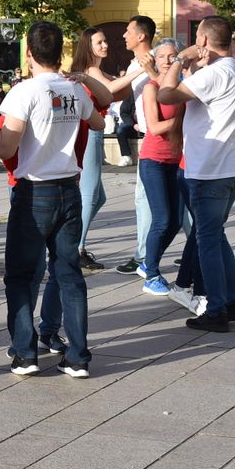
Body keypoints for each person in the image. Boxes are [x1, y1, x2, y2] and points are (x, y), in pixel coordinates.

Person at [0, 21, 104, 378]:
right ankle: (77, 357)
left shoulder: (24, 92)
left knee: (19, 275)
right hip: (68, 189)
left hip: (34, 192)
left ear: (28, 53)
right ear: (58, 51)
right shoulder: (73, 90)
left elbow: (5, 146)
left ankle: (26, 354)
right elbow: (99, 125)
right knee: (69, 274)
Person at [157, 16, 235, 332]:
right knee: (215, 233)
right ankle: (234, 300)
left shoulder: (216, 73)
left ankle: (217, 309)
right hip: (233, 167)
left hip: (210, 170)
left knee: (207, 239)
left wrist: (179, 60)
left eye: (197, 38)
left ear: (203, 40)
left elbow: (165, 95)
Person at [70, 27, 146, 271]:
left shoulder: (96, 70)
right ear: (87, 46)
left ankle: (73, 241)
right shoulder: (91, 70)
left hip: (95, 130)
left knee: (98, 197)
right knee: (90, 194)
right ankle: (75, 248)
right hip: (90, 130)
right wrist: (140, 69)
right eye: (99, 42)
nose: (105, 45)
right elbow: (112, 90)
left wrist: (135, 76)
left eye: (105, 41)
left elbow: (118, 93)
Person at [137, 39, 185, 297]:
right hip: (153, 161)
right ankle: (151, 274)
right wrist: (182, 119)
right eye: (163, 56)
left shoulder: (182, 87)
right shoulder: (151, 88)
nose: (167, 60)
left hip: (176, 161)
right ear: (155, 61)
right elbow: (154, 127)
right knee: (162, 218)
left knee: (176, 221)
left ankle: (148, 262)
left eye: (172, 56)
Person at [114, 16, 158, 278]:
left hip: (158, 135)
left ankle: (142, 255)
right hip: (149, 134)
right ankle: (194, 247)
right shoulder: (135, 63)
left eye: (128, 31)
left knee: (144, 198)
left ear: (141, 36)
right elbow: (116, 91)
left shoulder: (153, 58)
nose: (124, 36)